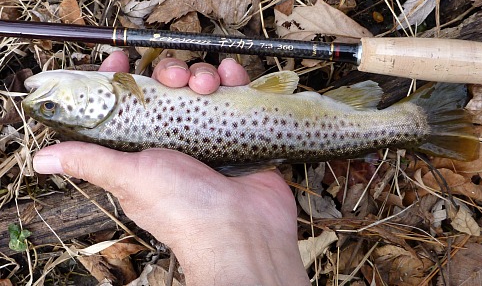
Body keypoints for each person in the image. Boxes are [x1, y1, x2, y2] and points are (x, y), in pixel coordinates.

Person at [33, 51, 310, 286]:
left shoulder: (117, 97)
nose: (44, 100)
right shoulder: (119, 92)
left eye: (48, 106)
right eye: (49, 107)